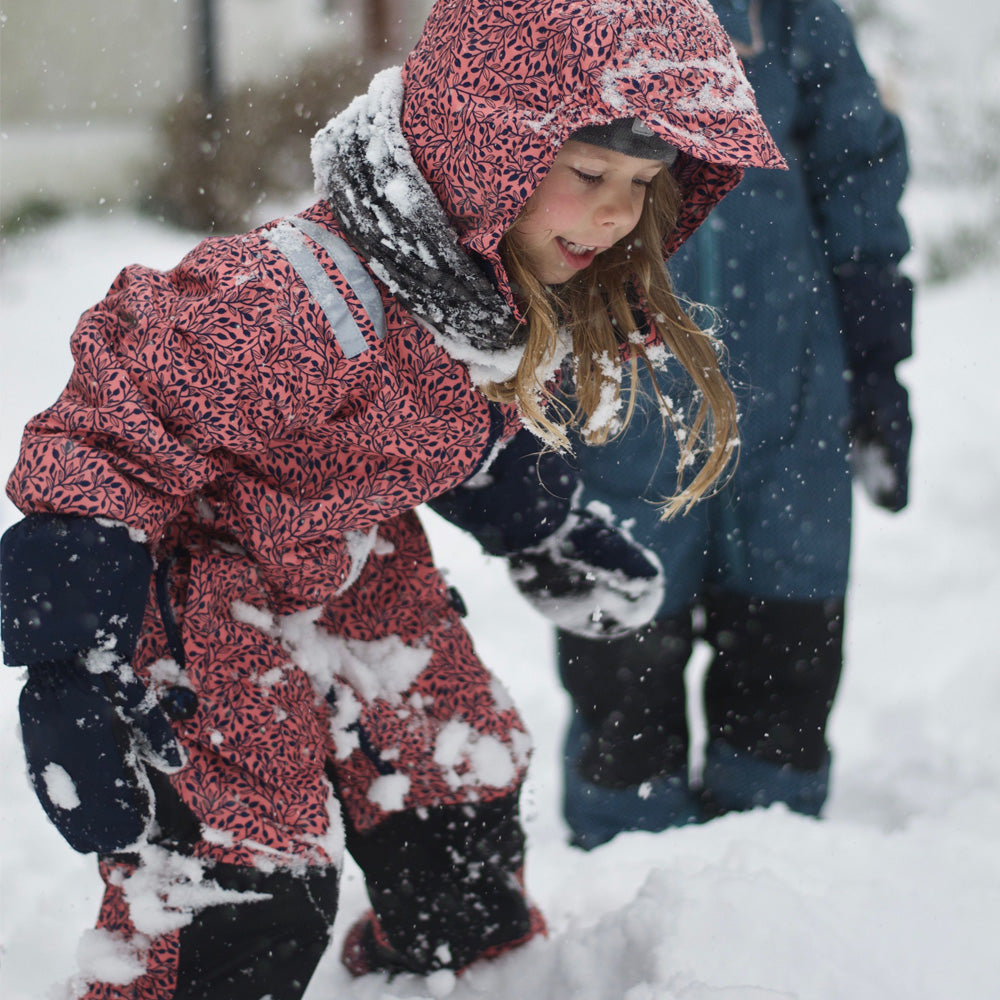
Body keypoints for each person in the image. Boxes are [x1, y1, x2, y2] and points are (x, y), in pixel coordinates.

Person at [0, 1, 782, 996]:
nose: (615, 213)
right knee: (246, 866)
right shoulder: (297, 298)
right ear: (484, 147)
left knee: (455, 776)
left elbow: (466, 429)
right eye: (587, 174)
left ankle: (455, 970)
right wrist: (66, 659)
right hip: (199, 583)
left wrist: (543, 532)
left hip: (356, 561)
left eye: (641, 184)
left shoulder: (490, 292)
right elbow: (109, 432)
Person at [552, 0, 913, 850]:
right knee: (622, 677)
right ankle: (628, 885)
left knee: (787, 657)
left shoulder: (788, 15)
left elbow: (857, 167)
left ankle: (769, 883)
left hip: (793, 394)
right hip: (618, 396)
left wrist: (877, 364)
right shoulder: (560, 16)